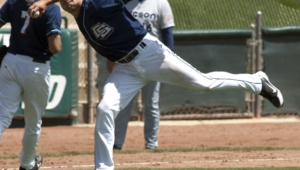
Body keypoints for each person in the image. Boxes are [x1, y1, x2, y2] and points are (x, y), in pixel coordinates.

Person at [28, 0, 284, 169]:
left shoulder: (99, 2)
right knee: (105, 108)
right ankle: (104, 167)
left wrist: (45, 1)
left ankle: (256, 81)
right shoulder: (81, 17)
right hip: (125, 68)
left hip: (149, 53)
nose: (69, 0)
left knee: (203, 83)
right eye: (63, 0)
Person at [105, 0, 175, 150]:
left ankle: (151, 144)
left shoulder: (160, 3)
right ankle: (117, 143)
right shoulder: (125, 3)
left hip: (153, 61)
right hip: (128, 61)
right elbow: (115, 32)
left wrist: (170, 59)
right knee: (123, 104)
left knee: (151, 104)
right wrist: (110, 57)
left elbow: (167, 33)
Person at [0, 0, 62, 169]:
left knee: (2, 115)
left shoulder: (13, 2)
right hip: (36, 66)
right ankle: (27, 164)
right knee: (33, 121)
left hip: (10, 61)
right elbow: (55, 47)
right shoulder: (52, 8)